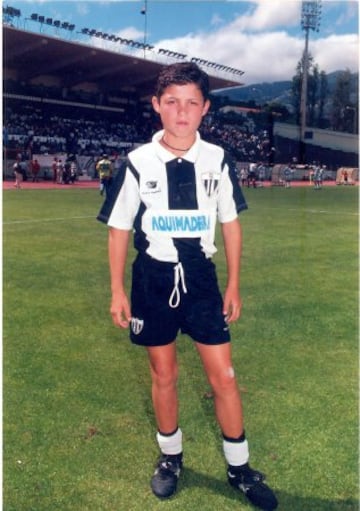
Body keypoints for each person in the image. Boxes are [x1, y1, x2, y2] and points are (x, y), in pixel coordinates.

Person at [97, 62, 278, 511]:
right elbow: (119, 229)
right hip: (152, 280)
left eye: (192, 103)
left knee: (225, 376)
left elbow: (230, 222)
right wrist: (118, 291)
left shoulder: (217, 158)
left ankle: (240, 468)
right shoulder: (137, 163)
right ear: (157, 106)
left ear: (205, 109)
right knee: (164, 375)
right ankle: (171, 459)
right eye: (172, 102)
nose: (182, 112)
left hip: (201, 280)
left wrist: (233, 283)